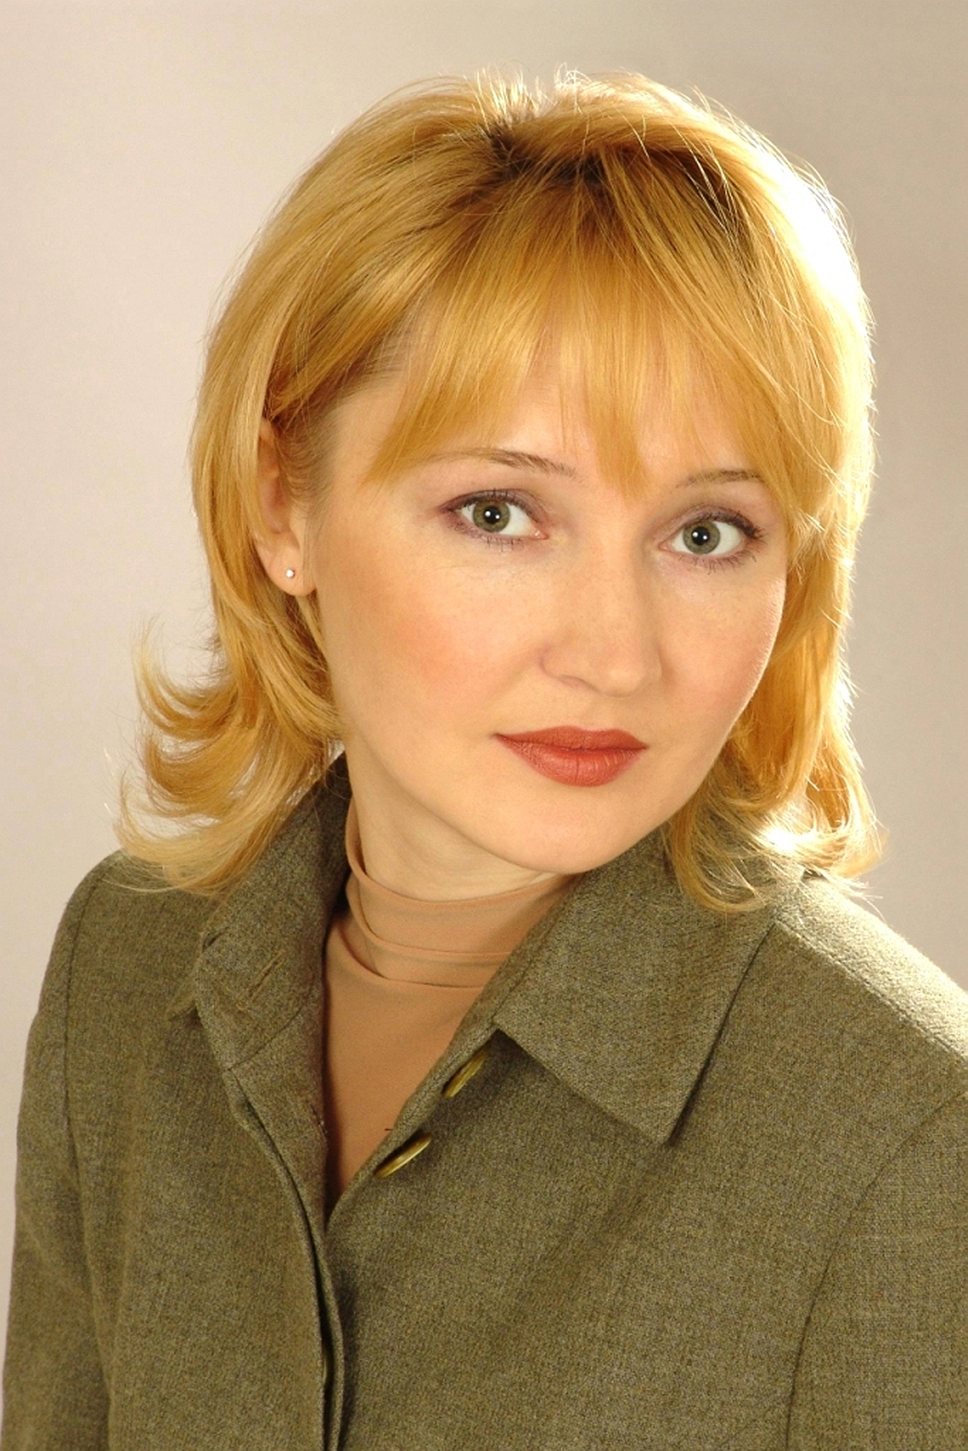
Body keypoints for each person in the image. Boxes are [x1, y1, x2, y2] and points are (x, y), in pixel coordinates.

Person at [3, 69, 966, 1451]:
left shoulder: (911, 1136)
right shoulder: (126, 964)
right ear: (283, 504)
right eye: (499, 512)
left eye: (706, 534)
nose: (614, 654)